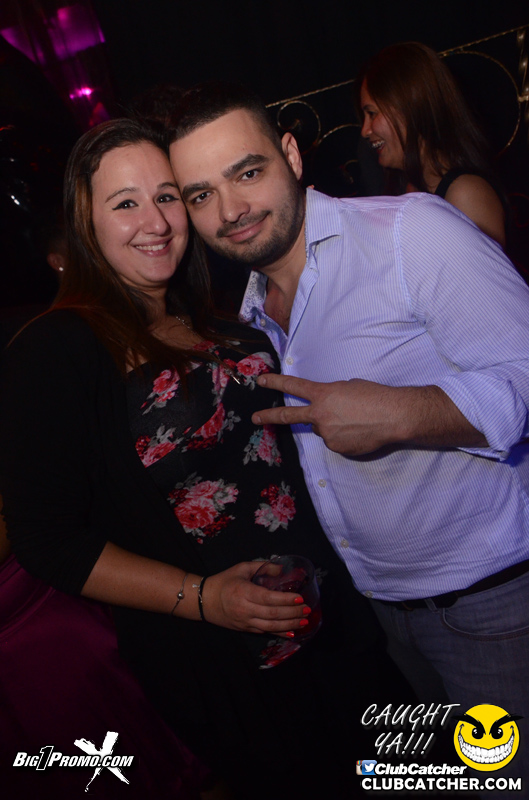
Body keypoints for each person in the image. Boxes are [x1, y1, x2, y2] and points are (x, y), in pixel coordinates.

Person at [0, 117, 392, 799]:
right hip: (230, 662)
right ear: (85, 222)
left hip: (336, 619)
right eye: (125, 203)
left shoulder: (219, 318)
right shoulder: (56, 347)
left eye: (167, 196)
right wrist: (205, 600)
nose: (154, 222)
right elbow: (47, 540)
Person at [167, 82, 529, 790]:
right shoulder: (250, 310)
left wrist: (404, 413)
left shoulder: (407, 233)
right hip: (387, 616)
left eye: (248, 172)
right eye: (201, 194)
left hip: (493, 604)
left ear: (291, 154)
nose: (230, 210)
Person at [356, 42, 507, 247]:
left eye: (372, 113)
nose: (365, 130)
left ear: (410, 109)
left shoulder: (466, 194)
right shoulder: (407, 188)